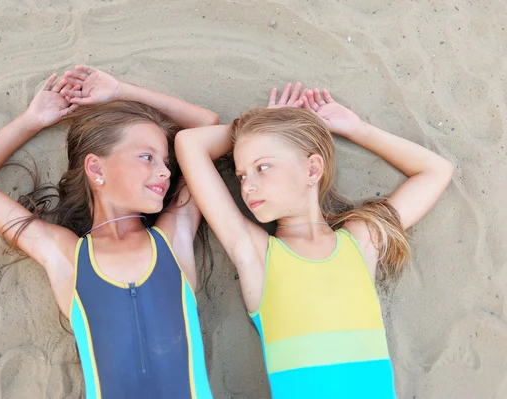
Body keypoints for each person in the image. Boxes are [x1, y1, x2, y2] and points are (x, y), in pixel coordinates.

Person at [0, 65, 219, 399]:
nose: (164, 171)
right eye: (147, 157)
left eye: (165, 161)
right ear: (95, 168)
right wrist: (33, 119)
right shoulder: (68, 256)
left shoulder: (173, 237)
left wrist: (122, 91)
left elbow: (205, 128)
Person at [175, 82, 454, 398]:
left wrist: (355, 128)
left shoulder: (360, 241)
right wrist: (262, 126)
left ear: (313, 168)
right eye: (241, 175)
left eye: (262, 167)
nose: (248, 186)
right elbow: (189, 144)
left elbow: (436, 170)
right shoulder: (256, 254)